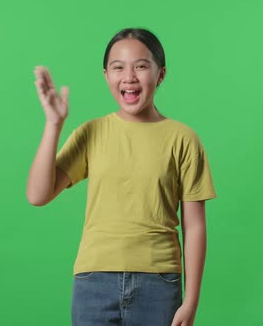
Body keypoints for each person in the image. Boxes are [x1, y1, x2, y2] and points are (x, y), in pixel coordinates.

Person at [26, 28, 217, 326]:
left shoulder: (183, 139)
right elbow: (38, 195)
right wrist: (54, 124)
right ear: (106, 75)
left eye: (141, 66)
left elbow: (195, 227)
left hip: (160, 283)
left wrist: (190, 301)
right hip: (94, 282)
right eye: (118, 67)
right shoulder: (91, 133)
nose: (129, 76)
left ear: (161, 74)